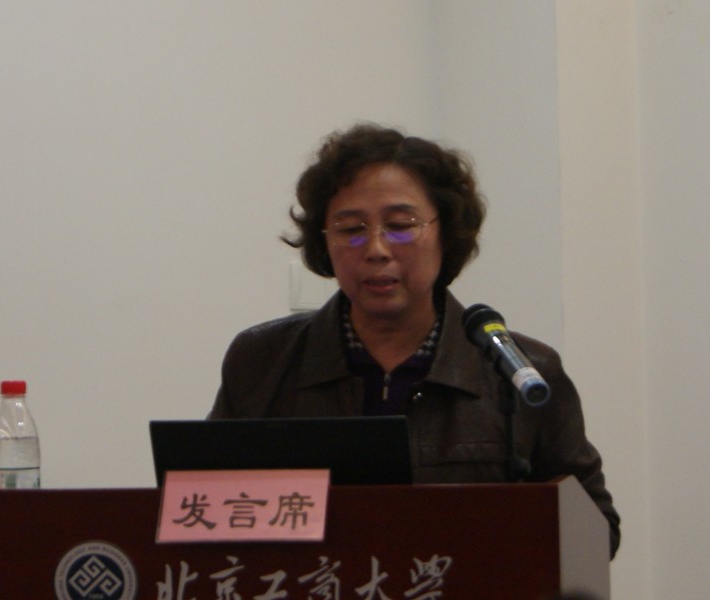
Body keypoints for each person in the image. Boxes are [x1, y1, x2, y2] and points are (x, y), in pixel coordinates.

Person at [208, 123, 620, 558]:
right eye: (350, 229)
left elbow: (597, 533)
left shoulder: (520, 372)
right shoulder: (263, 360)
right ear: (323, 242)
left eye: (401, 225)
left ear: (446, 233)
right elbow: (203, 505)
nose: (376, 248)